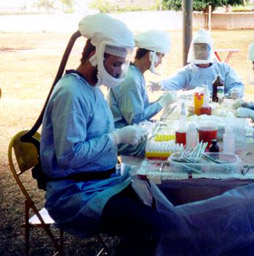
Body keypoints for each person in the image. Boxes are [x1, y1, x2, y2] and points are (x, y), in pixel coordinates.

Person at [40, 14, 166, 254]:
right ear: (94, 56)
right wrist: (117, 138)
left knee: (160, 200)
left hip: (100, 181)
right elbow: (69, 156)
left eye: (121, 64)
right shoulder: (71, 93)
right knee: (150, 224)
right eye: (115, 64)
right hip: (75, 191)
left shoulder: (93, 88)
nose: (120, 71)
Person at [107, 29, 177, 156]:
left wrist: (161, 100)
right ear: (151, 55)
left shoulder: (136, 74)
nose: (160, 61)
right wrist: (161, 103)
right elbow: (135, 118)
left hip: (132, 130)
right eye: (160, 55)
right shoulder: (131, 78)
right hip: (124, 136)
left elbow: (140, 109)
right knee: (171, 149)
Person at [148, 29, 244, 99]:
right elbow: (175, 81)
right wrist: (161, 84)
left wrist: (236, 91)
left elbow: (236, 84)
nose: (199, 51)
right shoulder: (188, 71)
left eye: (203, 48)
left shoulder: (223, 69)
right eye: (196, 48)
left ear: (210, 49)